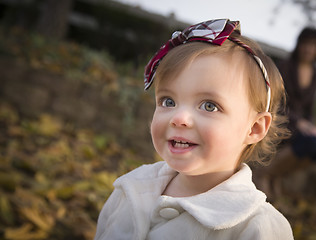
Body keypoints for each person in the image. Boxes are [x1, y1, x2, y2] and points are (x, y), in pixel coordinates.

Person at [94, 19, 293, 240]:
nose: (179, 118)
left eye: (209, 106)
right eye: (168, 101)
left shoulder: (257, 228)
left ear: (254, 128)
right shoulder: (131, 188)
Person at [254, 27, 316, 198]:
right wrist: (299, 122)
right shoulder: (284, 67)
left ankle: (276, 174)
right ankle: (265, 174)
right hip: (281, 119)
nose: (308, 49)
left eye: (313, 45)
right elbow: (276, 101)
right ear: (299, 45)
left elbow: (310, 109)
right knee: (311, 143)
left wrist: (312, 127)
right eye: (306, 44)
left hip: (300, 127)